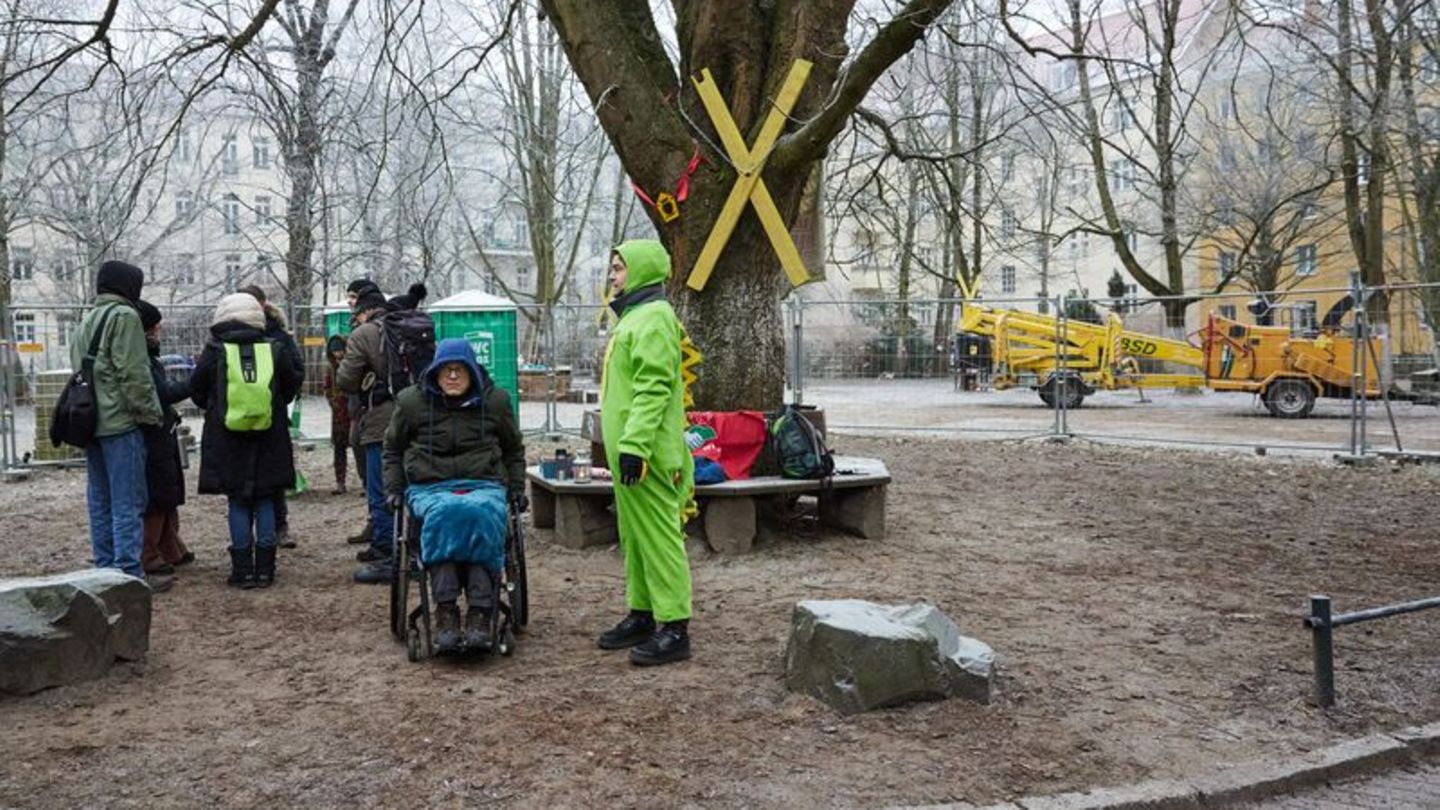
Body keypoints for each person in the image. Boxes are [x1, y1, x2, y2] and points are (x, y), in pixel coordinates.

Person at [383, 338, 526, 653]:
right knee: (445, 513)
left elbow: (514, 450)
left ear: (473, 371)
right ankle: (445, 610)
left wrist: (516, 488)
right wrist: (394, 489)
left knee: (480, 512)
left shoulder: (497, 402)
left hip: (483, 484)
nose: (451, 376)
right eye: (445, 370)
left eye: (459, 370)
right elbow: (392, 450)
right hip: (429, 486)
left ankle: (480, 610)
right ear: (434, 372)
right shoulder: (411, 403)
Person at [595, 239, 695, 666]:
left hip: (647, 453)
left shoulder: (653, 319)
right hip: (630, 453)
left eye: (619, 268)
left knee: (658, 537)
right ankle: (642, 612)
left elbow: (653, 388)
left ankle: (675, 627)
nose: (613, 276)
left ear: (641, 271)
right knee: (635, 537)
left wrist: (635, 446)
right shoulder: (636, 318)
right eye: (613, 268)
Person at [190, 294, 303, 589]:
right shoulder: (275, 349)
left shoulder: (214, 350)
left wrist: (218, 406)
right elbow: (291, 388)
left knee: (238, 500)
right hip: (270, 436)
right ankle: (265, 570)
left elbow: (196, 391)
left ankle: (242, 571)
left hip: (227, 438)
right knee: (265, 497)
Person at [70, 260, 162, 584]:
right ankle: (129, 576)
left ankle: (105, 573)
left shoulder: (87, 319)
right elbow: (134, 374)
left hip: (89, 423)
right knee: (128, 502)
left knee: (100, 501)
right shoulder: (124, 317)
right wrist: (150, 416)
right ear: (128, 286)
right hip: (120, 425)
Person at [337, 285, 397, 582]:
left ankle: (386, 553)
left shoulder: (364, 333)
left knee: (380, 488)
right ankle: (415, 549)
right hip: (415, 416)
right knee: (411, 486)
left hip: (380, 420)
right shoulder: (405, 325)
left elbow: (346, 380)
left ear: (363, 312)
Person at [239, 285, 305, 549]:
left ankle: (278, 528)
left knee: (271, 479)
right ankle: (253, 536)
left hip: (269, 416)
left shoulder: (279, 337)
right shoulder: (234, 337)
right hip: (243, 417)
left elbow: (295, 373)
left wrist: (278, 400)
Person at [136, 300, 193, 588]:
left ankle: (170, 545)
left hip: (161, 430)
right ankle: (150, 553)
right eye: (154, 327)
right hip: (153, 432)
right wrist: (193, 383)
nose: (158, 332)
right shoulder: (143, 360)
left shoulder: (148, 358)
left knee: (168, 490)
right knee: (158, 493)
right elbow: (162, 394)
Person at [323, 334, 355, 495]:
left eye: (340, 351)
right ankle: (340, 482)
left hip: (353, 409)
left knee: (359, 447)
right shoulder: (330, 367)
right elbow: (327, 387)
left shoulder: (352, 364)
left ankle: (365, 482)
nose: (338, 354)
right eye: (335, 352)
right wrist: (332, 401)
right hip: (338, 411)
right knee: (339, 448)